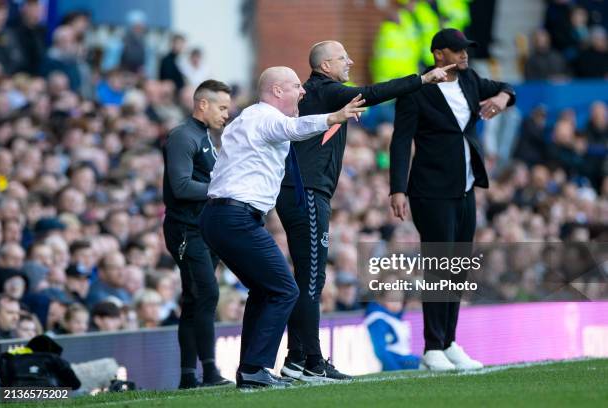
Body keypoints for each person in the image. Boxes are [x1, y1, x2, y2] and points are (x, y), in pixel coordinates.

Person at [276, 40, 452, 381]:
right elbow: (372, 93)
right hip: (306, 192)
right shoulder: (325, 90)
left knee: (308, 277)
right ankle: (312, 360)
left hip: (304, 192)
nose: (351, 61)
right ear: (325, 66)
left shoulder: (319, 92)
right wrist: (422, 79)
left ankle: (296, 359)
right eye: (343, 57)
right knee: (312, 279)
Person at [199, 66, 365, 388]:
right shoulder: (264, 117)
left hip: (221, 217)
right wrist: (334, 117)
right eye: (295, 87)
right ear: (277, 91)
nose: (302, 92)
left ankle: (250, 370)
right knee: (286, 289)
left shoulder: (249, 120)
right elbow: (296, 128)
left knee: (265, 290)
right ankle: (255, 368)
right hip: (234, 217)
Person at [389, 28, 516, 371]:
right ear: (438, 54)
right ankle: (432, 347)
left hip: (465, 188)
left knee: (458, 267)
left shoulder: (470, 80)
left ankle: (449, 342)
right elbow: (401, 141)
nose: (465, 55)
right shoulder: (416, 91)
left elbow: (506, 89)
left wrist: (503, 98)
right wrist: (397, 188)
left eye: (466, 50)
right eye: (457, 50)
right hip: (430, 190)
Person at [162, 79, 232, 388]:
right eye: (222, 107)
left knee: (194, 300)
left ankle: (189, 377)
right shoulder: (182, 136)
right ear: (202, 104)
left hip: (203, 229)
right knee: (207, 294)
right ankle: (210, 372)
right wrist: (222, 190)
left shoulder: (204, 136)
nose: (226, 114)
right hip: (185, 230)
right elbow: (181, 186)